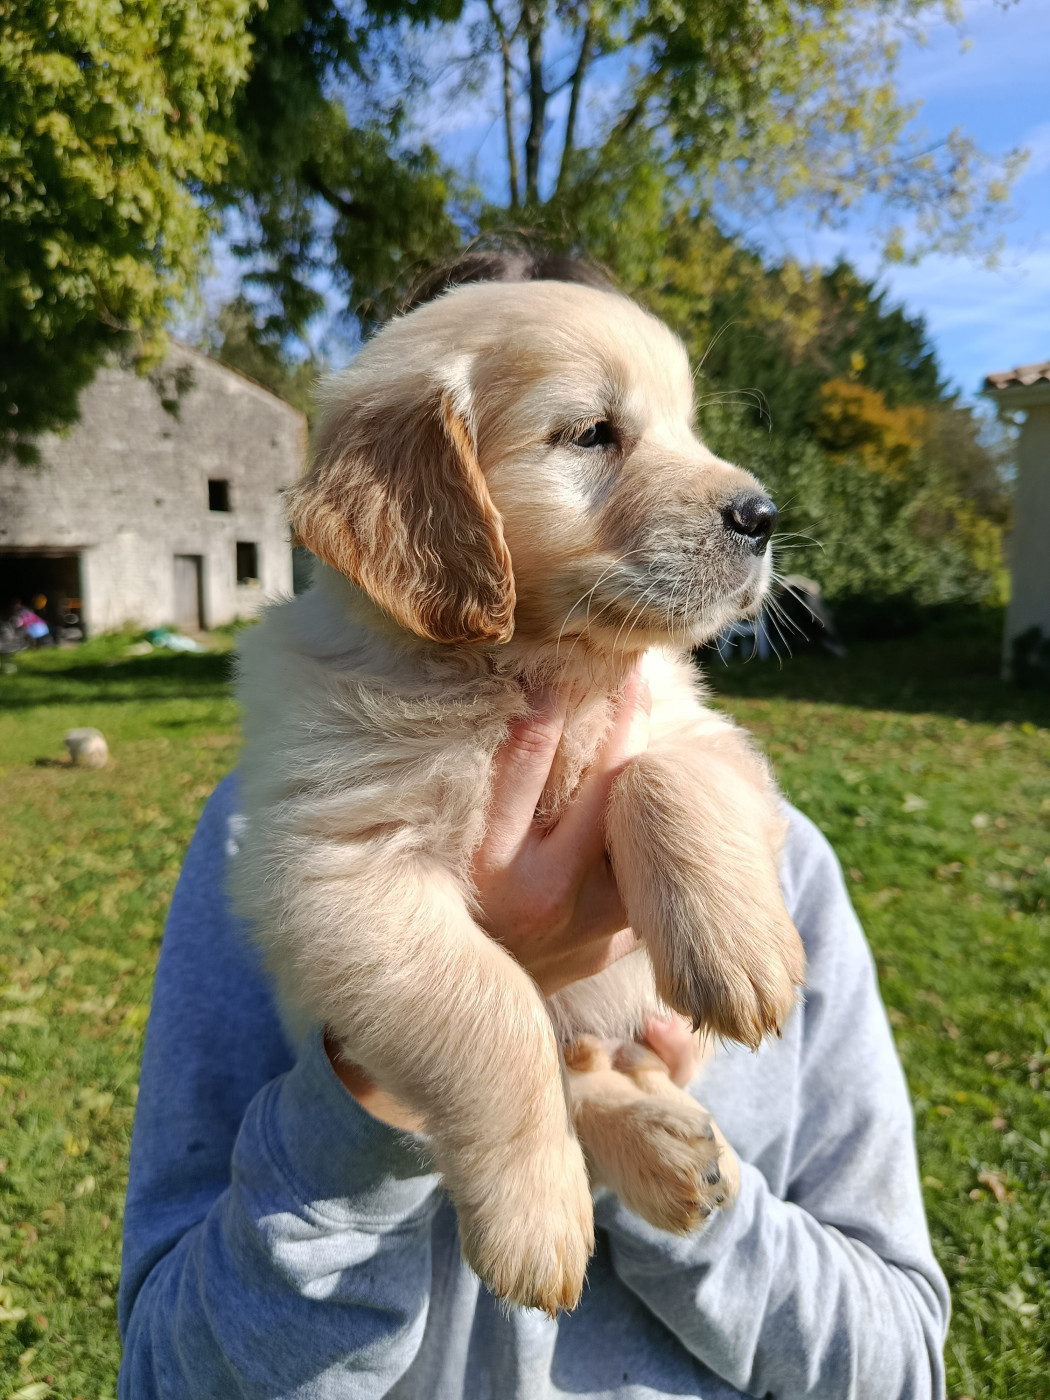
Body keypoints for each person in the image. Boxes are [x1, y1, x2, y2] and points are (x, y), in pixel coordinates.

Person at [118, 667, 949, 1398]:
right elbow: (165, 1376)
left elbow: (897, 1365)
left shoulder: (781, 861)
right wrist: (401, 1073)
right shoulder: (269, 823)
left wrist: (694, 1208)